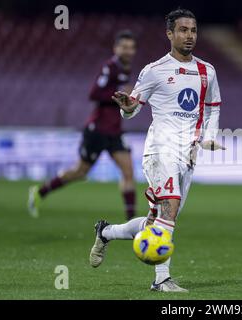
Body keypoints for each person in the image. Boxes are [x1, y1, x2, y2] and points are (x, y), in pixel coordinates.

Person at [89, 8, 225, 292]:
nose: (189, 36)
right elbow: (132, 107)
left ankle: (106, 232)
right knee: (170, 206)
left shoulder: (207, 71)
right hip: (160, 150)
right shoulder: (153, 71)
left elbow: (213, 108)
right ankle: (161, 279)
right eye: (183, 30)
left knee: (160, 219)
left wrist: (209, 137)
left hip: (188, 155)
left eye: (193, 30)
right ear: (170, 34)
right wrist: (127, 108)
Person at [28, 30, 138, 221]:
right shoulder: (110, 67)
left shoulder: (125, 69)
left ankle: (133, 224)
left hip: (114, 131)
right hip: (97, 130)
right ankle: (40, 192)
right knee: (80, 172)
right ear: (115, 48)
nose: (128, 51)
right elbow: (94, 93)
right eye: (124, 47)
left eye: (131, 48)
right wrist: (118, 92)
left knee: (128, 172)